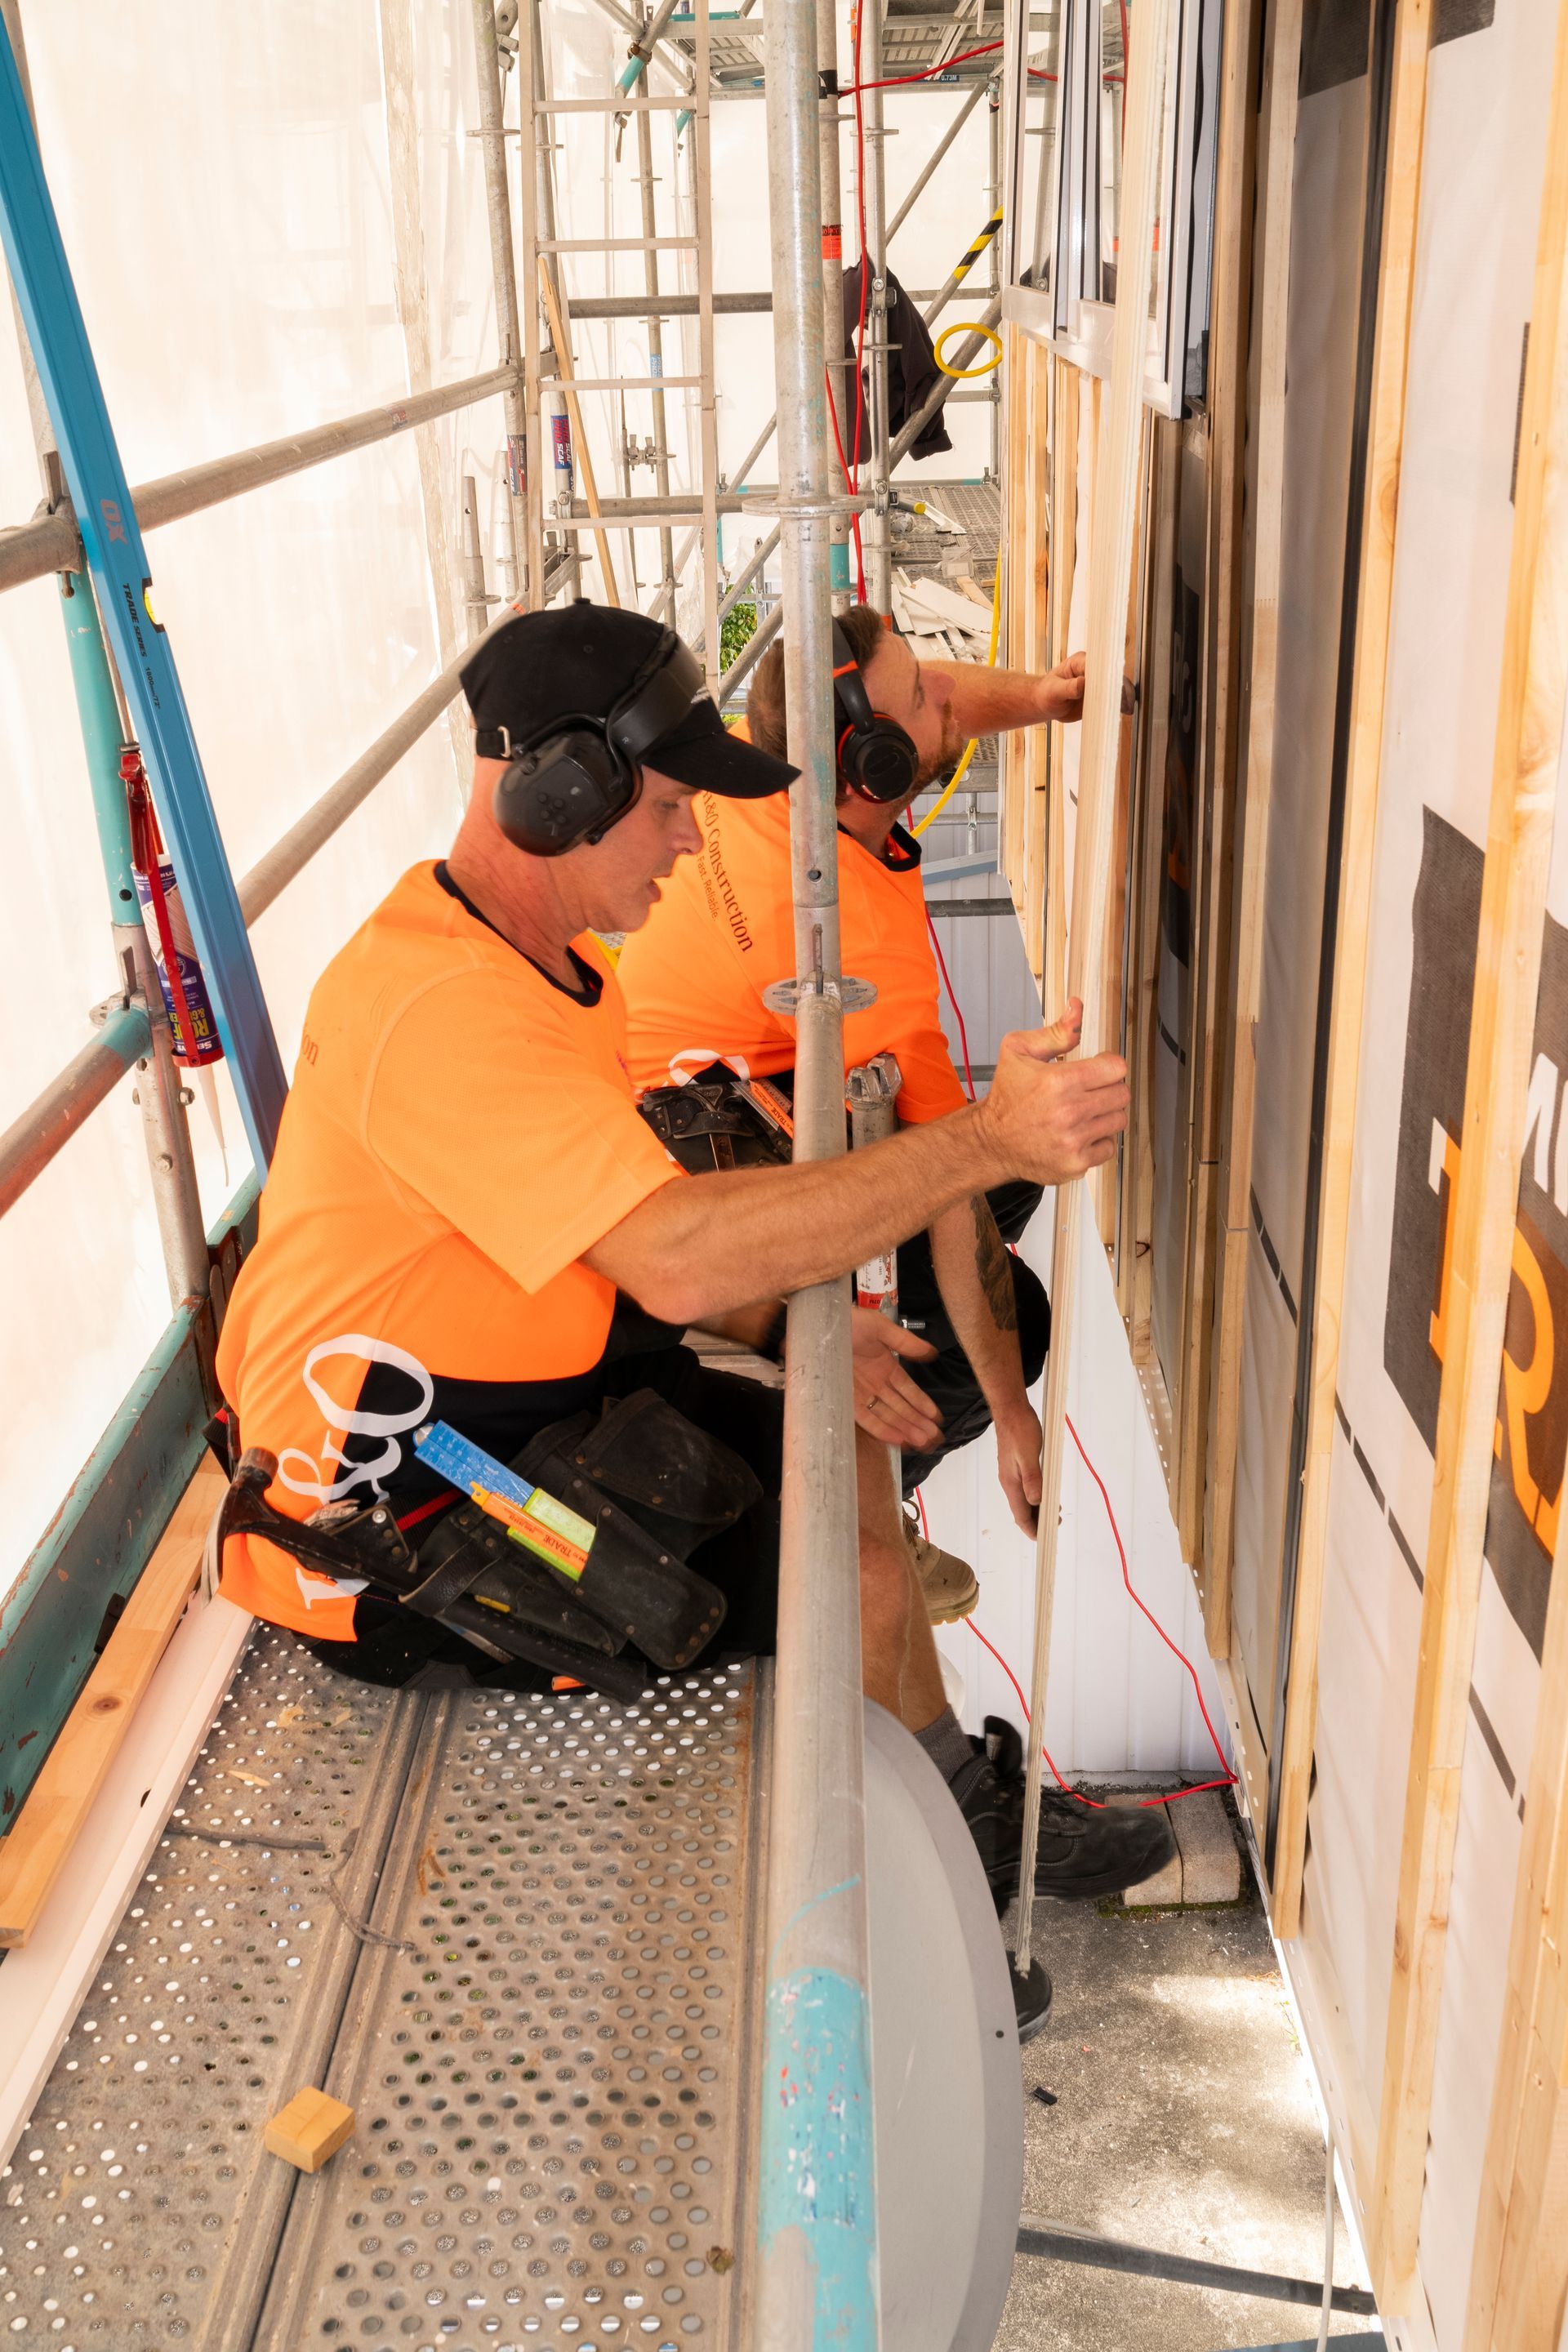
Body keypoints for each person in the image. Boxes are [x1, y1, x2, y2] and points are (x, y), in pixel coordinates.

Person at [213, 601, 1172, 1966]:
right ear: (558, 791)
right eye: (666, 808)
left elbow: (631, 1250)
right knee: (842, 1576)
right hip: (394, 1504)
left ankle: (951, 1823)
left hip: (516, 1396)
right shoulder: (439, 1012)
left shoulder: (555, 970)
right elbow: (667, 1252)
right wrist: (990, 1141)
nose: (685, 842)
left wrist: (796, 1314)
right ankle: (938, 1903)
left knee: (849, 1481)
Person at [616, 602, 1091, 1620]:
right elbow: (950, 1178)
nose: (944, 697)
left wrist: (1052, 698)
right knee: (1008, 1319)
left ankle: (892, 1413)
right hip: (697, 1161)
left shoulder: (752, 771)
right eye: (916, 698)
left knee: (1011, 1183)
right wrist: (1014, 1418)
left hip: (705, 1084)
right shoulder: (863, 953)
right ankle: (870, 1503)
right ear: (874, 767)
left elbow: (951, 703)